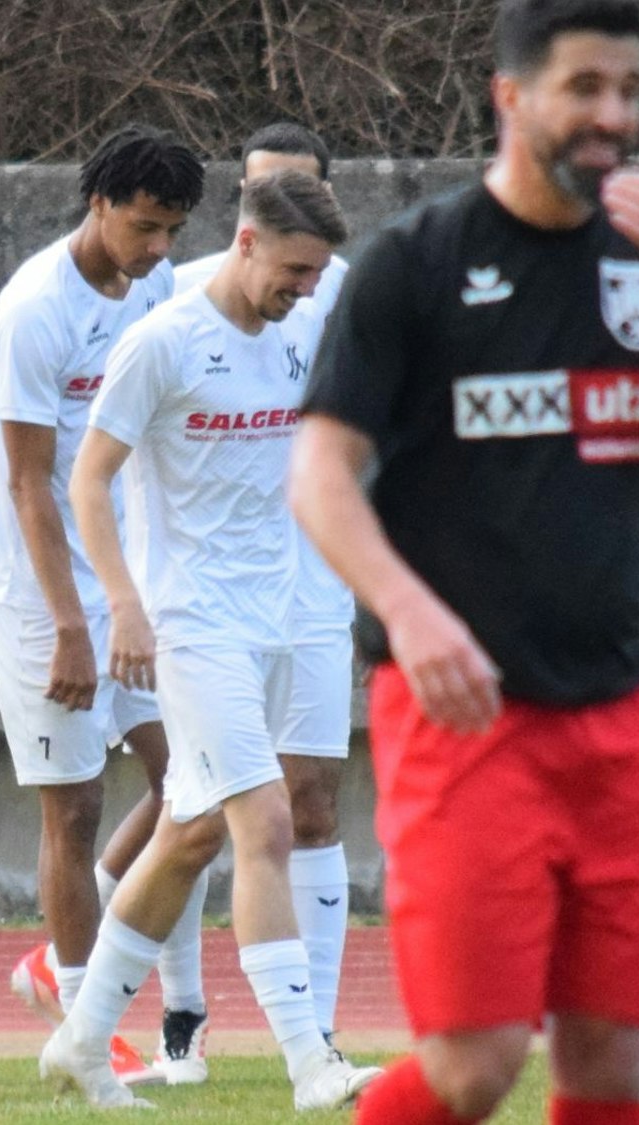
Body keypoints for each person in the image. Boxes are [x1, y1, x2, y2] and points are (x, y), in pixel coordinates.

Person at [288, 2, 639, 1122]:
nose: (611, 116)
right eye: (584, 89)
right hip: (466, 724)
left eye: (628, 91)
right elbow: (317, 476)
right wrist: (411, 618)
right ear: (511, 97)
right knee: (474, 1069)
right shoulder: (414, 266)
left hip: (621, 716)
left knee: (608, 1066)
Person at [40, 170, 381, 1111]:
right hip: (190, 627)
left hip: (280, 619)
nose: (305, 288)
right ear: (244, 242)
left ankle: (77, 1043)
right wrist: (124, 605)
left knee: (189, 835)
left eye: (317, 274)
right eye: (294, 269)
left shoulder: (299, 338)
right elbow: (87, 481)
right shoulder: (165, 340)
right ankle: (310, 1063)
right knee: (264, 822)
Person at [0, 122, 201, 1084]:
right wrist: (72, 621)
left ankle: (69, 973)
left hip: (130, 584)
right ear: (99, 204)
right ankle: (83, 1018)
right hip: (44, 596)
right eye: (143, 226)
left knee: (192, 780)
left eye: (171, 231)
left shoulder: (154, 287)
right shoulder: (33, 308)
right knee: (70, 811)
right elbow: (29, 482)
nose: (156, 250)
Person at [164, 120, 358, 1078]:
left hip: (313, 589)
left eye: (296, 187)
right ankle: (174, 1014)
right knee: (201, 816)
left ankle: (314, 1034)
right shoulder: (180, 304)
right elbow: (112, 448)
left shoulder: (343, 294)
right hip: (207, 601)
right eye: (259, 188)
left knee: (307, 804)